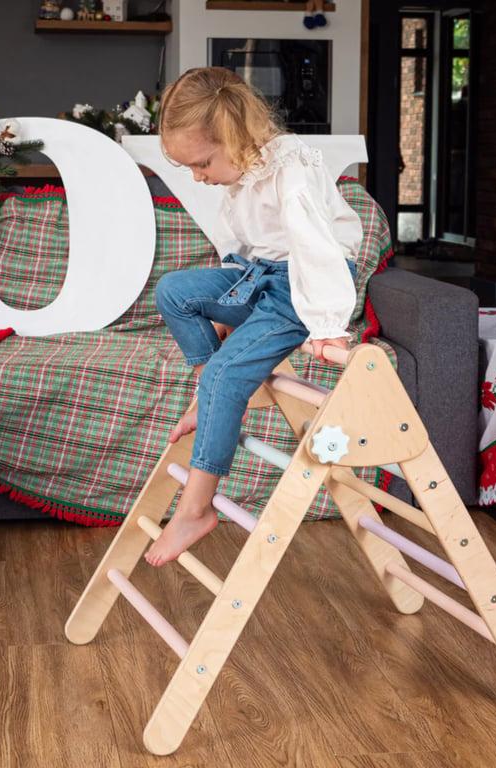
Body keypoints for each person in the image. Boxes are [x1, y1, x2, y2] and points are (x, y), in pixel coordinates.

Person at [145, 66, 363, 567]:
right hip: (257, 274)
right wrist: (224, 309)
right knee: (175, 292)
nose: (198, 177)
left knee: (228, 374)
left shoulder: (292, 168)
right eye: (190, 170)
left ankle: (195, 510)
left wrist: (327, 326)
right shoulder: (240, 172)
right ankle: (210, 392)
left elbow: (315, 246)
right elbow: (236, 247)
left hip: (302, 283)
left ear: (233, 136)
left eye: (201, 163)